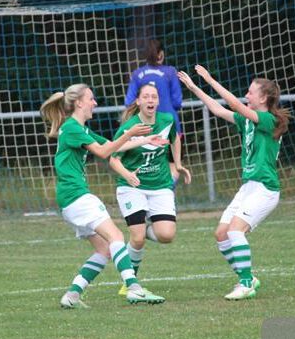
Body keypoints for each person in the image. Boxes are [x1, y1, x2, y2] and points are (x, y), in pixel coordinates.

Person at [40, 83, 167, 308]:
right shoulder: (71, 128)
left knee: (104, 249)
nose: (95, 103)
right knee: (116, 237)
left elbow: (110, 144)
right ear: (79, 102)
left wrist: (145, 140)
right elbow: (104, 153)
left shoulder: (80, 129)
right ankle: (134, 288)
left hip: (70, 199)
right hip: (76, 196)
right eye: (91, 98)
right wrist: (130, 132)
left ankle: (72, 296)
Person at [178, 65, 290, 300]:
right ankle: (247, 275)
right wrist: (194, 87)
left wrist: (210, 78)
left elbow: (235, 105)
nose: (246, 95)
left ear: (264, 98)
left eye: (251, 92)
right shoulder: (246, 120)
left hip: (265, 188)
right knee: (221, 234)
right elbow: (219, 109)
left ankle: (246, 282)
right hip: (248, 186)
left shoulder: (267, 119)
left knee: (235, 230)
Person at [108, 83, 191, 295]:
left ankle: (140, 230)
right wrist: (127, 174)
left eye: (154, 96)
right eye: (146, 97)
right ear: (138, 101)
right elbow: (113, 158)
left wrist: (178, 164)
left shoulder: (166, 120)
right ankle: (129, 283)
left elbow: (175, 139)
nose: (151, 100)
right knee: (136, 238)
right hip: (132, 187)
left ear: (158, 101)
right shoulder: (130, 128)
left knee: (166, 235)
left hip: (160, 185)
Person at [125, 39, 183, 181]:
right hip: (169, 127)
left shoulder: (138, 74)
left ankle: (153, 195)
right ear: (161, 54)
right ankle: (167, 192)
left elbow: (128, 101)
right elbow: (177, 101)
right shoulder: (170, 72)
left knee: (145, 165)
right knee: (173, 165)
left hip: (144, 128)